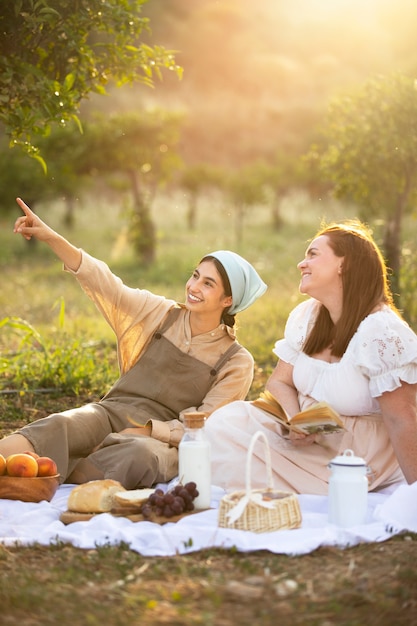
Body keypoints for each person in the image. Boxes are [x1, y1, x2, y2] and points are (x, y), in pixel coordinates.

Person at [0, 197, 267, 489]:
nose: (193, 287)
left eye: (208, 284)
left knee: (139, 457)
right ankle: (28, 462)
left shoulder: (236, 361)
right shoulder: (161, 313)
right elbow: (104, 283)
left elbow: (206, 424)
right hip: (113, 412)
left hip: (162, 442)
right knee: (63, 424)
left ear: (228, 301)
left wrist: (151, 432)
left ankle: (62, 471)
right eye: (195, 276)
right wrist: (49, 235)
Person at [206, 219, 417, 494]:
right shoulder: (309, 316)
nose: (301, 264)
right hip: (310, 438)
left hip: (355, 456)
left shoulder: (381, 332)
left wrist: (415, 492)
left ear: (345, 264)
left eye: (313, 254)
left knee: (237, 467)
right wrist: (296, 421)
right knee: (223, 424)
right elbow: (279, 382)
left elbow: (403, 419)